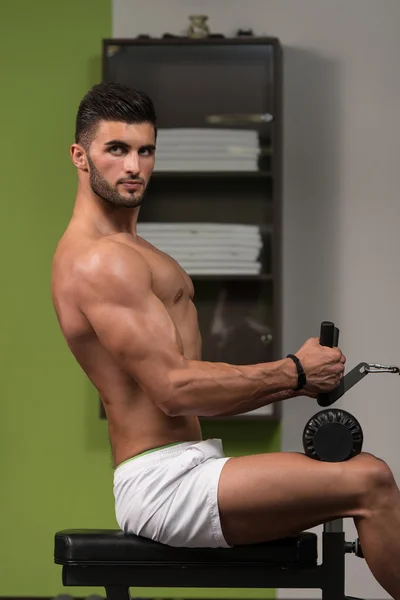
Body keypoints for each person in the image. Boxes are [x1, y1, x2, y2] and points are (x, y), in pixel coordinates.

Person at [52, 82, 400, 598]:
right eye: (116, 149)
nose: (133, 166)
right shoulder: (100, 260)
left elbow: (188, 378)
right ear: (81, 156)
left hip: (191, 464)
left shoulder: (131, 249)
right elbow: (173, 388)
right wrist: (295, 373)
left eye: (145, 150)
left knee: (364, 479)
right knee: (369, 482)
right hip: (162, 485)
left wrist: (296, 380)